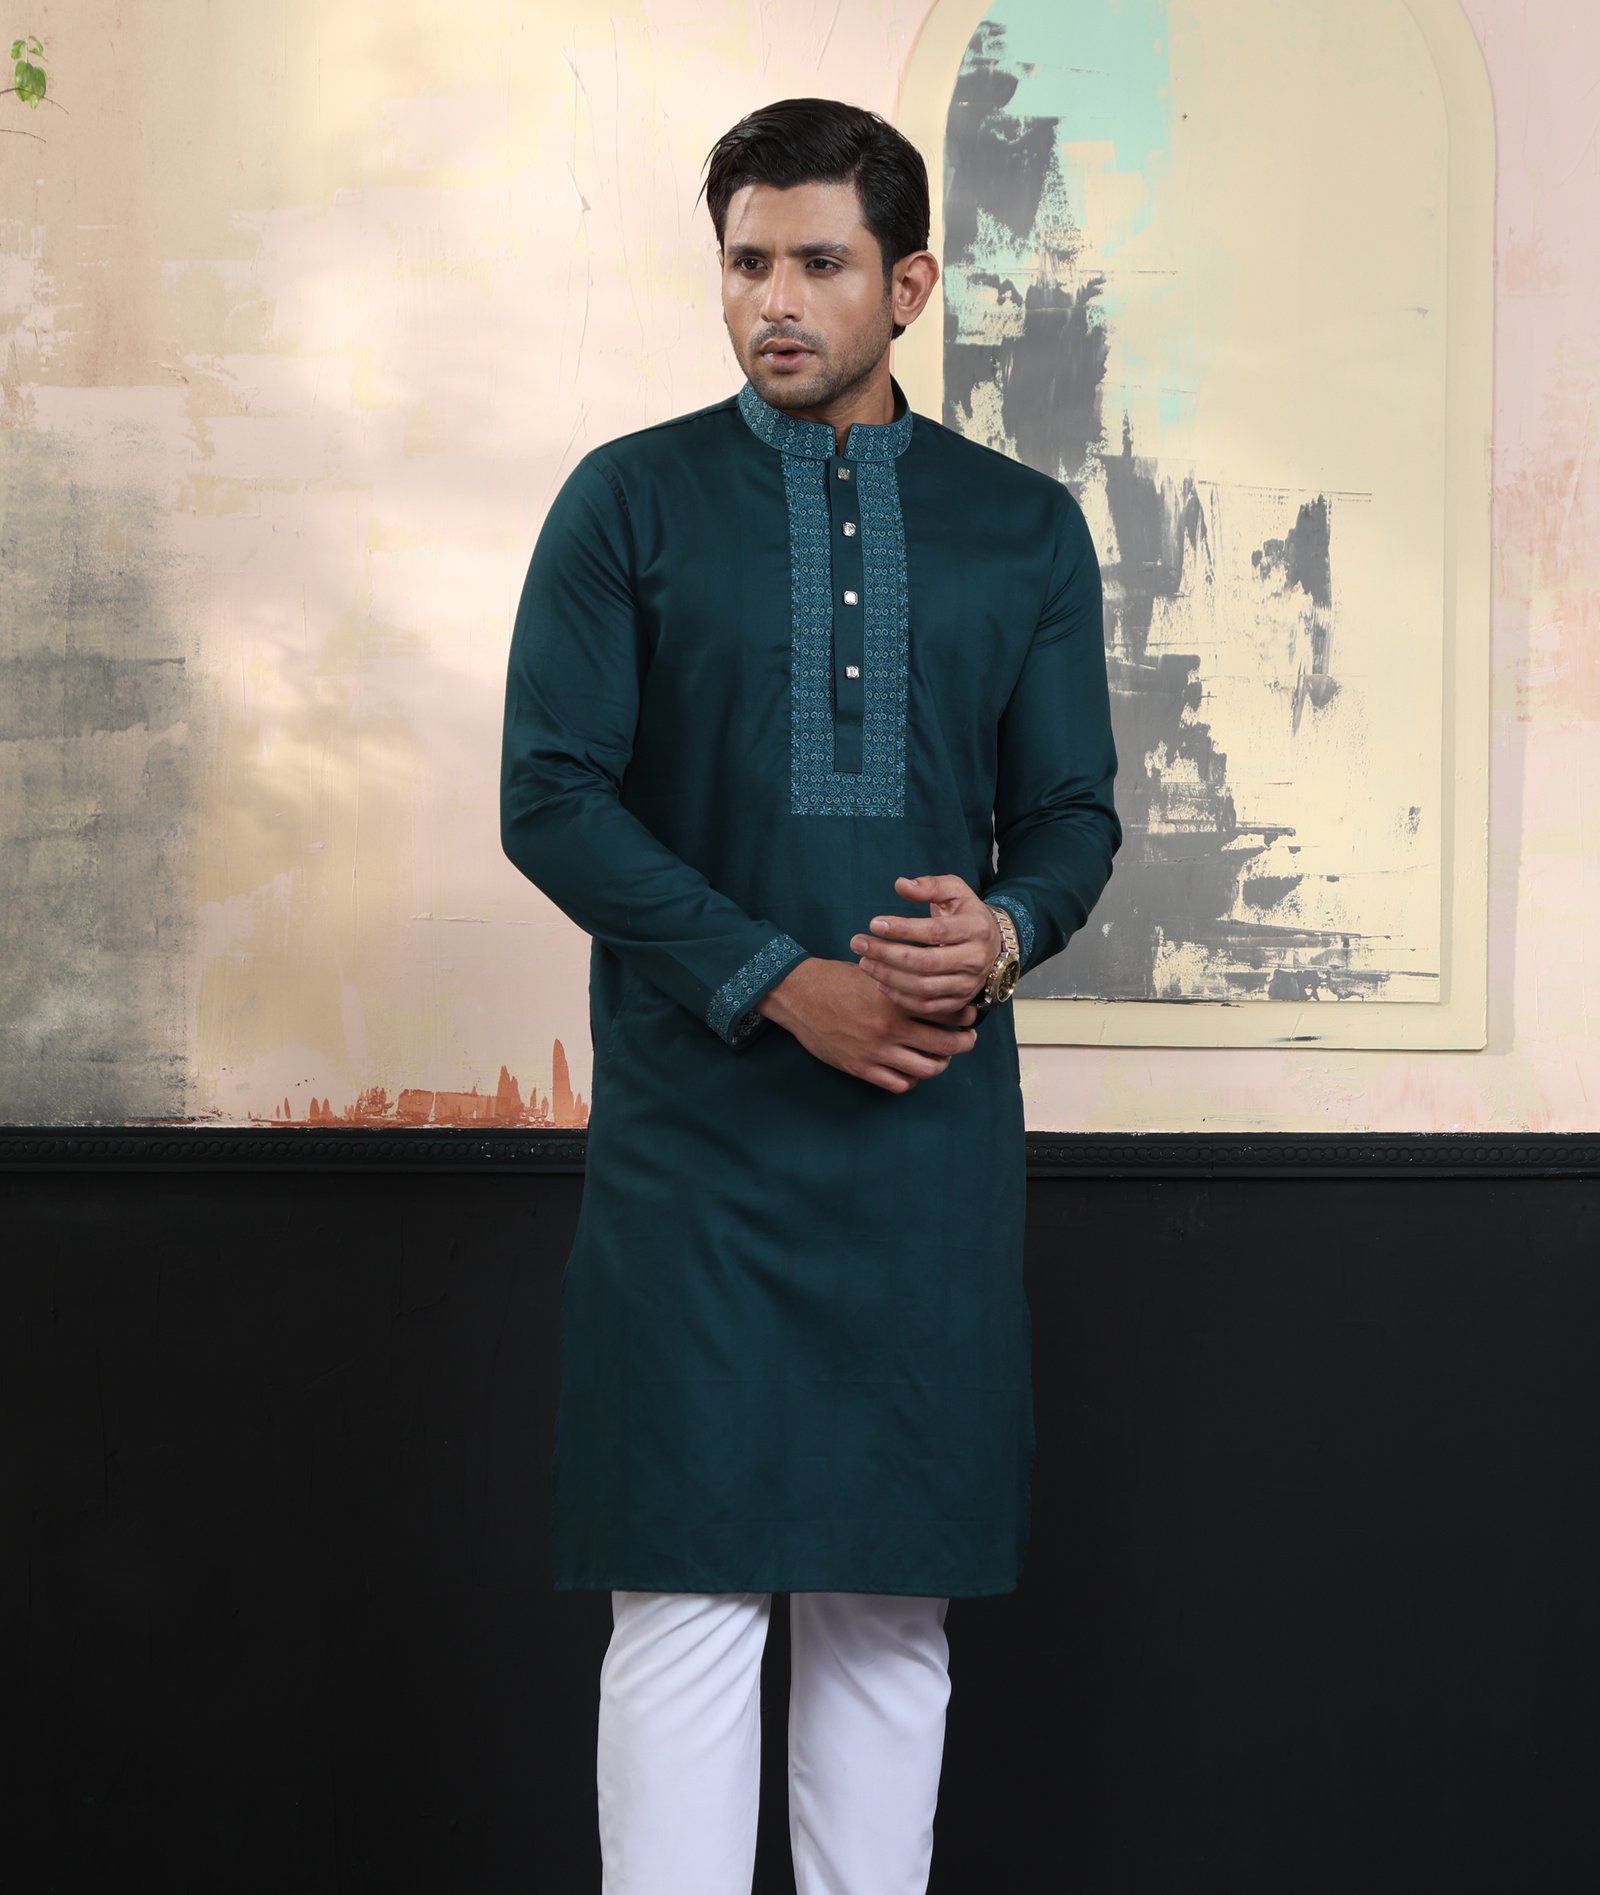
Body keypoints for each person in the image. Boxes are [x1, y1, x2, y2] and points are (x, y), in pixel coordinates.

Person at [500, 95, 1120, 1895]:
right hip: (695, 1146)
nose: (774, 299)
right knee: (684, 1598)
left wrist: (1003, 934)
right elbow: (552, 797)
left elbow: (1071, 818)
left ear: (908, 284)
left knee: (889, 1611)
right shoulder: (628, 501)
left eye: (819, 263)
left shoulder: (1021, 528)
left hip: (920, 1135)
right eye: (746, 261)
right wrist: (782, 983)